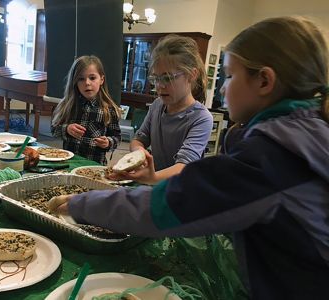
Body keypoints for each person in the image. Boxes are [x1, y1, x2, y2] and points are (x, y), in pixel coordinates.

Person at [49, 17, 329, 299]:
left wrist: (81, 203)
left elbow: (169, 204)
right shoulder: (304, 134)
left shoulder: (271, 156)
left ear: (264, 81)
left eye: (229, 76)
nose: (221, 88)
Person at [114, 35, 213, 184]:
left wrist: (151, 177)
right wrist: (140, 154)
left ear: (192, 75)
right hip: (155, 187)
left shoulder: (201, 118)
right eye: (156, 79)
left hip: (181, 193)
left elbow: (183, 167)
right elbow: (138, 140)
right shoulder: (157, 106)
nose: (159, 86)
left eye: (167, 78)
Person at [51, 55, 121, 165]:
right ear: (75, 82)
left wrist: (108, 142)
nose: (87, 83)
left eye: (92, 78)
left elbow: (116, 137)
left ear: (101, 79)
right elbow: (54, 130)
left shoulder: (109, 109)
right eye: (81, 79)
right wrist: (67, 129)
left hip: (94, 166)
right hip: (69, 163)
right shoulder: (68, 105)